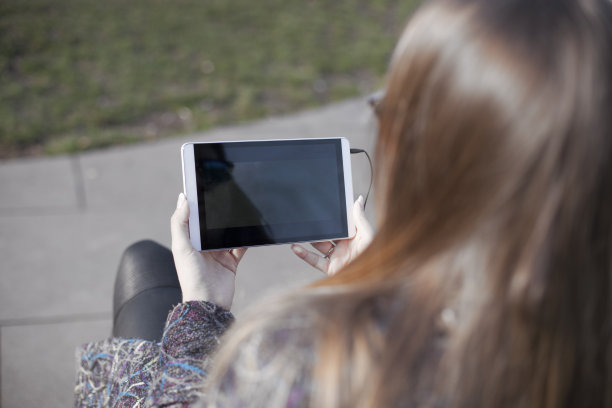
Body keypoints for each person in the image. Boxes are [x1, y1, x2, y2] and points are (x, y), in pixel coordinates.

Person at [75, 0, 612, 406]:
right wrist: (387, 285)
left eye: (387, 113)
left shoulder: (309, 358)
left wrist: (202, 309)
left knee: (142, 261)